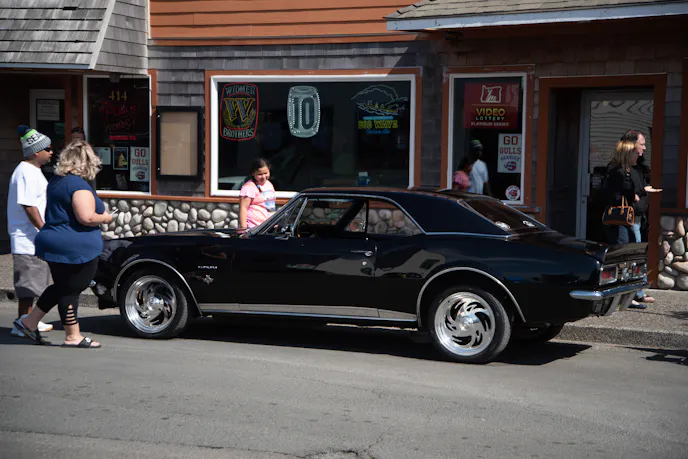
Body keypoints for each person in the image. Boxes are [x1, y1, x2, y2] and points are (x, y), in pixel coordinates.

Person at [13, 140, 113, 348]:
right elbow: (86, 217)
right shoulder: (78, 186)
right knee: (71, 289)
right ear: (87, 162)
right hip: (74, 246)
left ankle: (29, 322)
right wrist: (105, 217)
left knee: (62, 286)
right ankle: (72, 336)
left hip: (54, 241)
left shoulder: (57, 182)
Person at [8, 125, 55, 337]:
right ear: (36, 152)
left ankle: (29, 320)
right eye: (48, 148)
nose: (51, 152)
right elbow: (29, 205)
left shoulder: (32, 171)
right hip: (26, 238)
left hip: (33, 238)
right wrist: (43, 229)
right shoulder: (25, 172)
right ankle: (22, 323)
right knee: (27, 286)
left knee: (35, 282)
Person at [619, 130, 662, 307]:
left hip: (638, 218)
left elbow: (639, 188)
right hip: (627, 220)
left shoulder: (637, 169)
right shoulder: (620, 169)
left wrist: (643, 190)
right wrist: (637, 193)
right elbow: (623, 191)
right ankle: (631, 296)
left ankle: (637, 293)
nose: (644, 148)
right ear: (631, 146)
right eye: (641, 144)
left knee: (637, 256)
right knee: (631, 257)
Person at [238, 158, 276, 229]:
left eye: (266, 173)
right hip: (254, 227)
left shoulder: (269, 184)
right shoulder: (249, 187)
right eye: (260, 174)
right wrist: (243, 229)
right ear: (253, 173)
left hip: (268, 226)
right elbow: (243, 208)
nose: (263, 177)